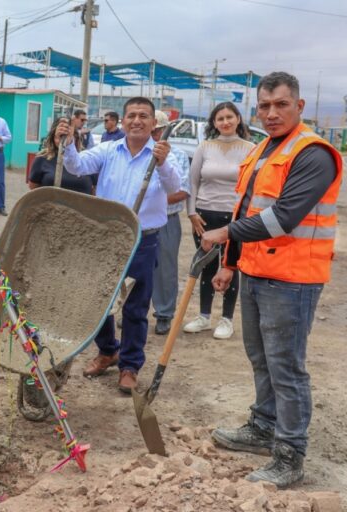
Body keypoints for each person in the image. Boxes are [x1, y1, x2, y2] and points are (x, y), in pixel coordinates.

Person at [201, 72, 342, 488]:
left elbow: (281, 218)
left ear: (299, 106)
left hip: (294, 279)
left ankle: (289, 454)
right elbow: (244, 210)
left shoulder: (313, 153)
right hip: (258, 272)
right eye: (264, 106)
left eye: (281, 104)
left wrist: (224, 235)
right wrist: (229, 262)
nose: (272, 112)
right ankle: (263, 427)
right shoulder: (263, 148)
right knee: (261, 359)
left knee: (287, 369)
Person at [56, 97, 181, 393]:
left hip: (143, 239)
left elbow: (176, 188)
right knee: (98, 299)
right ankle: (108, 350)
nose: (137, 120)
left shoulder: (163, 154)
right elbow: (77, 166)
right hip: (107, 237)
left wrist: (162, 163)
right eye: (131, 116)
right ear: (123, 121)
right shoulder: (109, 150)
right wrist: (70, 142)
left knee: (136, 307)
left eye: (143, 116)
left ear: (154, 124)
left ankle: (130, 365)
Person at [183, 102, 255, 340]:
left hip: (234, 218)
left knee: (231, 266)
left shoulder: (250, 148)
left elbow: (251, 188)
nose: (225, 122)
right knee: (206, 266)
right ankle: (204, 316)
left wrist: (243, 219)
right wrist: (192, 212)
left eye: (229, 117)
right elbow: (192, 182)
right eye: (219, 118)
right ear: (213, 123)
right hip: (204, 215)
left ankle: (226, 319)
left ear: (238, 119)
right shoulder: (204, 147)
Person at [150, 110, 191, 335]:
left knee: (165, 268)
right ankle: (133, 310)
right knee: (135, 268)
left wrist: (152, 201)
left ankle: (164, 314)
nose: (155, 134)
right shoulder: (138, 151)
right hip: (140, 219)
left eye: (158, 130)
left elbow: (182, 190)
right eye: (153, 130)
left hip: (166, 218)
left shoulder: (179, 155)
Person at [28, 117, 95, 194]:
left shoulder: (87, 159)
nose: (64, 141)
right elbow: (34, 188)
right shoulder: (42, 159)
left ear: (76, 138)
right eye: (61, 136)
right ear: (53, 137)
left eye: (68, 136)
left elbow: (95, 190)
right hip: (52, 205)